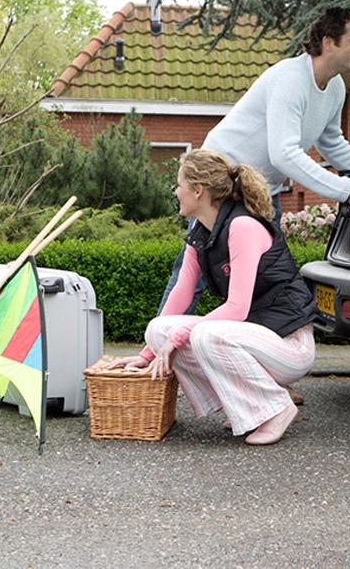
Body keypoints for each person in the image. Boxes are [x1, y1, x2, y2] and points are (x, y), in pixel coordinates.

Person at [160, 7, 350, 312]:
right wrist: (346, 189)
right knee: (195, 273)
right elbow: (284, 154)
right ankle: (158, 349)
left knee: (263, 275)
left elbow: (332, 143)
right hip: (219, 182)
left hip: (263, 188)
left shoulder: (335, 88)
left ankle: (251, 348)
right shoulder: (291, 79)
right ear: (329, 42)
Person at [108, 149, 317, 445]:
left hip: (290, 345)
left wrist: (179, 337)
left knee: (204, 334)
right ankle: (246, 407)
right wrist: (148, 352)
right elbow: (182, 291)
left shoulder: (243, 226)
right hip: (258, 336)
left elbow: (237, 307)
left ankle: (278, 407)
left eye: (179, 184)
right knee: (157, 329)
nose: (176, 191)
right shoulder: (201, 228)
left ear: (198, 191)